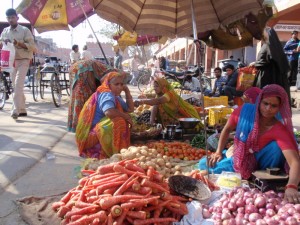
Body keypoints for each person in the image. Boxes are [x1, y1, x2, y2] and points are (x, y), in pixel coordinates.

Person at [199, 84, 300, 203]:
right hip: (242, 159)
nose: (268, 108)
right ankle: (246, 172)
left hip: (265, 166)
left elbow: (294, 161)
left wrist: (291, 186)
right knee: (203, 163)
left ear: (279, 108)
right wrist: (218, 152)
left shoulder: (279, 129)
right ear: (259, 101)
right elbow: (226, 129)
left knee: (276, 148)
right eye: (265, 103)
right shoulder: (243, 112)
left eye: (274, 106)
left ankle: (261, 179)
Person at [76, 71, 134, 159]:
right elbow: (109, 112)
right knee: (119, 121)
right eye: (116, 84)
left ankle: (114, 148)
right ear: (108, 84)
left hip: (97, 130)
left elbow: (130, 109)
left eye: (122, 84)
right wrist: (126, 117)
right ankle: (106, 150)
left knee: (121, 117)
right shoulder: (106, 94)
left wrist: (127, 91)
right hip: (90, 135)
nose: (120, 87)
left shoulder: (115, 96)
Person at [0, 8, 36, 119]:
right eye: (9, 18)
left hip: (24, 60)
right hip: (11, 62)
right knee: (16, 85)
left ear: (17, 18)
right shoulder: (5, 31)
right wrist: (3, 43)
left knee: (18, 85)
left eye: (13, 17)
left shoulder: (25, 30)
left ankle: (15, 110)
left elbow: (32, 46)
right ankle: (23, 109)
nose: (11, 19)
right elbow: (0, 43)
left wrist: (18, 43)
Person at [134, 77, 202, 128]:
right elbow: (154, 108)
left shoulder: (169, 94)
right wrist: (151, 122)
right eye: (154, 86)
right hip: (171, 123)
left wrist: (142, 101)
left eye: (157, 86)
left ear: (163, 86)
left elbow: (158, 101)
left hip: (184, 120)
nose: (154, 88)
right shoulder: (159, 95)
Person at [67, 59, 112, 132]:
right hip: (84, 80)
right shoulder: (107, 72)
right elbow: (97, 85)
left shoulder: (100, 67)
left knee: (76, 101)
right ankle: (83, 129)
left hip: (76, 74)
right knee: (85, 104)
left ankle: (78, 127)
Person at [253, 27, 291, 104]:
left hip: (267, 78)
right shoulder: (274, 47)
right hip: (272, 78)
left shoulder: (268, 46)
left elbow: (266, 59)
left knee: (266, 100)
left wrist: (255, 63)